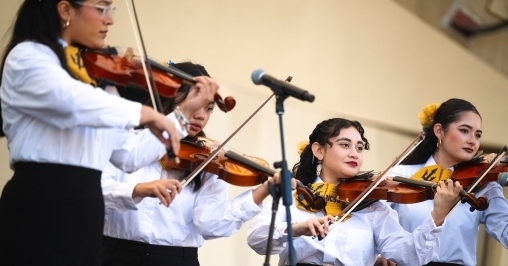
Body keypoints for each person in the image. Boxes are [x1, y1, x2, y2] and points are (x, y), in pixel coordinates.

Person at [0, 1, 218, 265]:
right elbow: (71, 101)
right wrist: (147, 113)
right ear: (66, 9)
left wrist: (182, 115)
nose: (110, 20)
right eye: (102, 8)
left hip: (86, 208)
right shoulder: (29, 56)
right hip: (41, 199)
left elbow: (130, 153)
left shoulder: (95, 77)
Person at [101, 61, 290, 266]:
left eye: (209, 108)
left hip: (177, 260)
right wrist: (139, 189)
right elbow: (98, 193)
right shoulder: (127, 143)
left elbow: (209, 223)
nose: (201, 115)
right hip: (117, 255)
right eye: (195, 103)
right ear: (170, 98)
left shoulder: (209, 159)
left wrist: (262, 192)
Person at [247, 118, 463, 266]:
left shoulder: (373, 207)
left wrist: (437, 216)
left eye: (359, 148)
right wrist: (296, 229)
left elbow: (410, 256)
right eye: (345, 145)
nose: (355, 154)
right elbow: (256, 238)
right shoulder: (295, 196)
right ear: (319, 150)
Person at [380, 98, 508, 266]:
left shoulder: (482, 184)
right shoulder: (401, 174)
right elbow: (373, 223)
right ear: (439, 131)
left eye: (477, 135)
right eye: (464, 131)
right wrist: (378, 252)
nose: (473, 140)